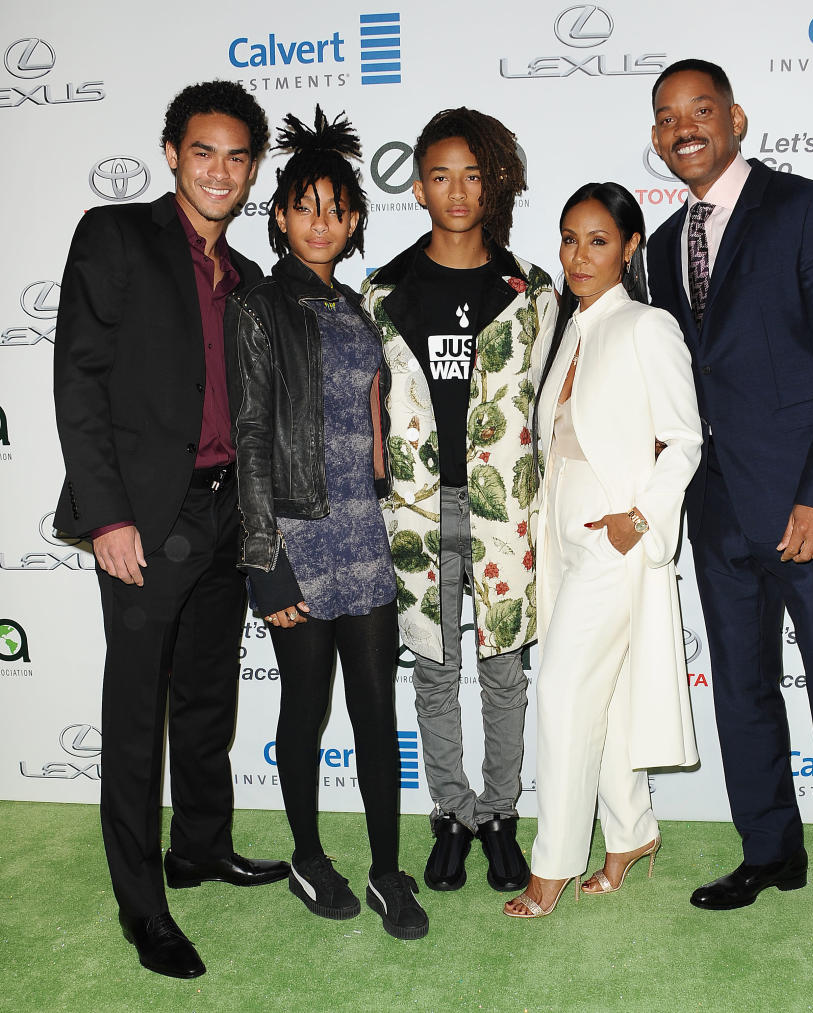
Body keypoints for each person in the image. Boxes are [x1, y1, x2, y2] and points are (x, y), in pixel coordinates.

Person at [646, 59, 813, 968]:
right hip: (717, 513)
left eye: (700, 110)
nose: (683, 129)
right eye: (666, 117)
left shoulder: (807, 208)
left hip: (807, 509)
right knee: (743, 694)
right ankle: (769, 850)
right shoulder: (664, 243)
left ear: (736, 117)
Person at [52, 81, 288, 980]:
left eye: (237, 156)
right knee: (136, 716)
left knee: (205, 698)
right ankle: (142, 908)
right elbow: (79, 381)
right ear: (171, 153)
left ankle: (200, 847)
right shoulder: (115, 237)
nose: (220, 170)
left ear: (253, 167)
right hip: (149, 518)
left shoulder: (248, 277)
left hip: (228, 512)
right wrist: (108, 514)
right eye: (203, 152)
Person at [225, 107, 428, 941]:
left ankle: (387, 870)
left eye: (337, 208)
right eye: (305, 205)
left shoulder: (357, 303)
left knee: (377, 709)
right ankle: (309, 856)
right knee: (305, 708)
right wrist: (265, 566)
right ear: (279, 215)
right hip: (298, 543)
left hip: (364, 537)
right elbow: (247, 440)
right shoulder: (258, 307)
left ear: (352, 221)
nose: (322, 221)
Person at [361, 108, 556, 895]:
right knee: (434, 671)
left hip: (505, 507)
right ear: (417, 186)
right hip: (415, 508)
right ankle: (450, 813)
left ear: (494, 182)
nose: (458, 191)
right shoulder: (383, 292)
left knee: (504, 669)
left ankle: (502, 813)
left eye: (474, 174)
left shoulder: (533, 292)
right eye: (441, 174)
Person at [503, 183, 702, 918]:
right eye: (569, 238)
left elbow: (685, 439)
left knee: (558, 692)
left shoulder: (647, 326)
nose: (579, 254)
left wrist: (640, 519)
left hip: (615, 542)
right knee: (605, 698)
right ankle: (631, 833)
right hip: (558, 536)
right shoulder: (566, 329)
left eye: (597, 239)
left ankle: (550, 863)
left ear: (628, 247)